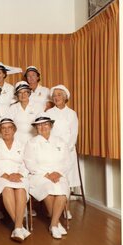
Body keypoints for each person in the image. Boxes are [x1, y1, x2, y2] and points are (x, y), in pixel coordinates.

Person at [24, 114, 71, 239]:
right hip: (39, 176)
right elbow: (29, 163)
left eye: (45, 124)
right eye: (39, 125)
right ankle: (56, 223)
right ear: (36, 128)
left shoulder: (60, 141)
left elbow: (67, 161)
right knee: (49, 189)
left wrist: (58, 173)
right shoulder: (31, 142)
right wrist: (47, 174)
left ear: (51, 126)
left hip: (59, 174)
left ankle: (53, 225)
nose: (43, 127)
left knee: (61, 191)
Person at [0, 118, 31, 242]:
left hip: (19, 175)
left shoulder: (22, 145)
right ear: (0, 131)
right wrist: (6, 175)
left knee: (20, 190)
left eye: (9, 128)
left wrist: (19, 174)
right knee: (7, 188)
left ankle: (17, 228)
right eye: (3, 128)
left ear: (14, 130)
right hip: (1, 176)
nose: (6, 131)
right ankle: (19, 227)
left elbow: (26, 163)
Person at [46, 85, 80, 219]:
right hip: (52, 152)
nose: (56, 97)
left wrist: (66, 149)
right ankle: (54, 209)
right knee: (54, 179)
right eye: (54, 95)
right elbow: (47, 133)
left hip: (68, 151)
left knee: (67, 179)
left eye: (59, 95)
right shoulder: (48, 113)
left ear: (65, 97)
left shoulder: (71, 113)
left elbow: (74, 133)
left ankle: (66, 209)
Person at [9, 81, 43, 145]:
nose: (23, 95)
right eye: (20, 93)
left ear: (29, 93)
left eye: (25, 92)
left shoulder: (38, 106)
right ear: (17, 95)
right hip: (17, 141)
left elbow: (41, 125)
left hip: (34, 140)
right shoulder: (12, 108)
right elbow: (10, 125)